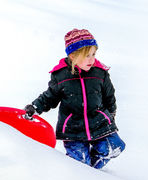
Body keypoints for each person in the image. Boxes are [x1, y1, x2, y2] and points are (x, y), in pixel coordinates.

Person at [24, 28, 125, 169]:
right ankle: (83, 175)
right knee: (79, 163)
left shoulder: (100, 73)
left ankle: (93, 170)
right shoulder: (61, 76)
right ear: (73, 56)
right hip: (73, 129)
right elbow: (49, 97)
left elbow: (109, 96)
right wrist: (35, 107)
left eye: (94, 54)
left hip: (99, 122)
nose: (92, 59)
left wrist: (111, 114)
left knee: (114, 146)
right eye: (87, 55)